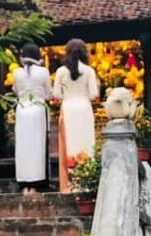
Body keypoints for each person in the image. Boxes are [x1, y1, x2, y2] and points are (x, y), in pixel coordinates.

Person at [52, 38, 99, 192]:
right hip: (84, 109)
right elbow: (94, 94)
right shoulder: (89, 71)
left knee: (69, 144)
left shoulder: (60, 72)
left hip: (68, 109)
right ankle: (87, 181)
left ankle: (71, 183)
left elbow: (56, 94)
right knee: (85, 143)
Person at [11, 42, 53, 193]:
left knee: (23, 147)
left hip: (22, 110)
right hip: (38, 110)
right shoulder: (43, 72)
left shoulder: (16, 73)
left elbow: (16, 91)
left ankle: (24, 184)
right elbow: (49, 93)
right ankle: (37, 183)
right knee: (37, 146)